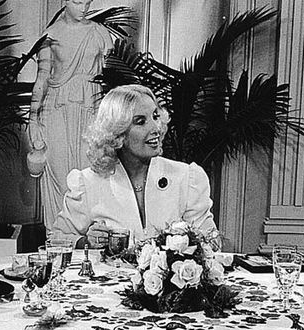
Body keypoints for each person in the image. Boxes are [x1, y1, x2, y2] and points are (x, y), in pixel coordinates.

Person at [51, 84, 219, 249]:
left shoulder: (187, 177)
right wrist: (87, 242)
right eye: (141, 122)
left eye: (155, 116)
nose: (156, 128)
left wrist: (187, 244)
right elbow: (57, 238)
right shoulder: (88, 182)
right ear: (117, 133)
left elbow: (213, 242)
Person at [28, 0, 113, 229]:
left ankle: (89, 239)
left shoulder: (100, 33)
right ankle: (58, 235)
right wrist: (33, 119)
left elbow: (110, 79)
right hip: (57, 109)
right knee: (60, 175)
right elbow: (42, 78)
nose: (83, 8)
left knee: (90, 175)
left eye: (87, 2)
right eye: (77, 2)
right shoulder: (51, 35)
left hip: (92, 109)